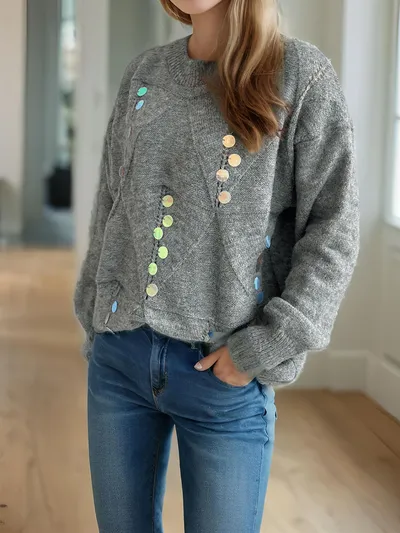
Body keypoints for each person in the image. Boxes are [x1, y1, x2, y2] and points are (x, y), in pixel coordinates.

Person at [74, 1, 359, 531]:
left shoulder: (299, 74)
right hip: (119, 362)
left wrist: (265, 346)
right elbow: (112, 204)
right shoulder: (145, 73)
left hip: (223, 375)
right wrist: (94, 316)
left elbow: (334, 227)